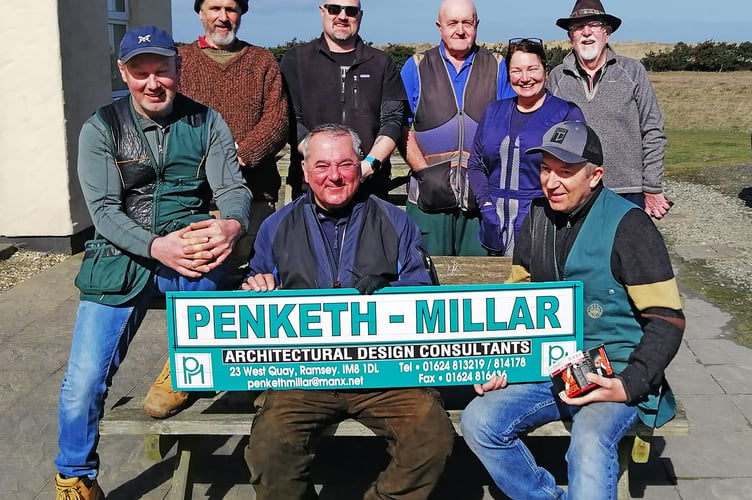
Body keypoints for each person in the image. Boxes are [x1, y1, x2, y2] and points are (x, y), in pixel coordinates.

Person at [54, 26, 252, 499]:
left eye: (161, 70)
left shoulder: (208, 122)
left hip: (187, 247)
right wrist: (156, 246)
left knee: (209, 253)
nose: (153, 83)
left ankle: (185, 364)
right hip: (118, 256)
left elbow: (232, 190)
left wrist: (231, 225)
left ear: (178, 69)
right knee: (83, 384)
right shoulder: (101, 127)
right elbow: (103, 212)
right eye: (140, 73)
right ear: (124, 73)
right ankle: (73, 475)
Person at [460, 121, 685, 500]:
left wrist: (628, 384)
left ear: (595, 175)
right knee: (478, 421)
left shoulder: (630, 225)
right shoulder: (537, 218)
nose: (551, 182)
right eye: (546, 169)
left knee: (589, 439)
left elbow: (667, 319)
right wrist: (497, 362)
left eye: (565, 172)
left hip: (614, 372)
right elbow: (516, 303)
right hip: (550, 369)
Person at [242, 123, 454, 499]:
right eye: (322, 166)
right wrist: (258, 291)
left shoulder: (396, 220)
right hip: (304, 373)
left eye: (345, 164)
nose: (335, 176)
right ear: (305, 171)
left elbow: (425, 294)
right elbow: (255, 296)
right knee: (270, 448)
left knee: (431, 436)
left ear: (360, 167)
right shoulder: (275, 227)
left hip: (385, 370)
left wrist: (386, 292)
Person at [142, 0, 288, 420]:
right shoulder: (180, 61)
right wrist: (203, 164)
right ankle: (187, 364)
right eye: (214, 7)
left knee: (262, 275)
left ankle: (259, 370)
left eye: (231, 8)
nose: (223, 16)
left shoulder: (261, 61)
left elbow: (277, 119)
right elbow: (164, 117)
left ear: (241, 13)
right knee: (196, 269)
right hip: (189, 198)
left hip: (253, 193)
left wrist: (235, 157)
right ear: (200, 12)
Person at [400, 0, 516, 256]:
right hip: (428, 201)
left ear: (476, 25)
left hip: (480, 199)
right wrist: (424, 173)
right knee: (424, 278)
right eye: (452, 23)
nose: (460, 30)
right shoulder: (417, 66)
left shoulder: (496, 66)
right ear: (439, 27)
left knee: (479, 283)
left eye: (467, 22)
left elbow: (509, 124)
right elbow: (400, 127)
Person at [547, 0, 672, 219]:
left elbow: (652, 131)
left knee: (627, 252)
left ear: (607, 32)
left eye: (594, 24)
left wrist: (651, 187)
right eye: (578, 27)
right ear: (570, 37)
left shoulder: (632, 72)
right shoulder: (557, 77)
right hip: (576, 190)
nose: (586, 32)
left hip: (627, 191)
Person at [467, 38, 584, 256]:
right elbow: (475, 164)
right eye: (516, 71)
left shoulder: (565, 114)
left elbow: (576, 172)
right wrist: (485, 204)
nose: (525, 78)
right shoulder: (493, 112)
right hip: (494, 226)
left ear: (546, 71)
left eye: (532, 69)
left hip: (543, 225)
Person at [280, 0, 407, 200]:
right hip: (310, 192)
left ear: (360, 15)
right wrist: (323, 165)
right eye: (334, 9)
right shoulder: (295, 60)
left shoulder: (382, 63)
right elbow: (290, 121)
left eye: (350, 10)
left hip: (370, 190)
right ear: (322, 11)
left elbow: (392, 121)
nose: (342, 16)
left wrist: (369, 165)